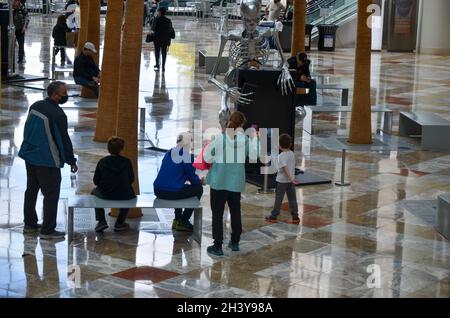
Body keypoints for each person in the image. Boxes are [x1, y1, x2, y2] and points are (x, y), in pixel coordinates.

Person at [18, 81, 78, 240]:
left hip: (30, 156)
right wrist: (71, 160)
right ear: (55, 95)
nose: (66, 95)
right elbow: (64, 140)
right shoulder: (58, 115)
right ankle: (48, 230)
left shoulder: (35, 105)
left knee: (31, 190)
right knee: (51, 194)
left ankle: (30, 224)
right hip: (47, 160)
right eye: (64, 92)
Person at [204, 111, 259, 256]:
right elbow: (254, 156)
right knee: (235, 212)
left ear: (229, 121)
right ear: (242, 125)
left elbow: (207, 158)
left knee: (217, 214)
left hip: (218, 181)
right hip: (235, 183)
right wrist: (255, 139)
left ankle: (217, 246)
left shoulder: (219, 138)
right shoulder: (246, 140)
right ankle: (235, 242)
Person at [153, 133, 204, 231]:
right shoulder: (186, 156)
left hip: (158, 190)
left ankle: (177, 219)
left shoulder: (169, 152)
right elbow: (193, 179)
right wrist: (200, 181)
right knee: (198, 189)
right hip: (171, 192)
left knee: (180, 186)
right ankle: (184, 220)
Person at [92, 137, 135, 233]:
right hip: (124, 194)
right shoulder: (127, 162)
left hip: (106, 194)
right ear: (121, 149)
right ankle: (120, 222)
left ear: (108, 149)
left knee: (93, 192)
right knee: (129, 193)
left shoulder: (102, 161)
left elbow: (95, 181)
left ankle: (101, 221)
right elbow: (131, 179)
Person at [265, 134, 300, 223]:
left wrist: (291, 178)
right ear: (290, 144)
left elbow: (285, 168)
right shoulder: (291, 153)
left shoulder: (281, 156)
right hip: (290, 181)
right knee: (292, 199)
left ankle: (273, 216)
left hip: (282, 181)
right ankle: (295, 216)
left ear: (280, 146)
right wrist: (291, 179)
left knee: (279, 199)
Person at [151, 7, 174, 72]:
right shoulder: (168, 20)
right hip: (165, 38)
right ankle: (163, 66)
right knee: (164, 52)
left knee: (157, 51)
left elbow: (152, 28)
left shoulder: (156, 19)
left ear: (160, 12)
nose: (157, 13)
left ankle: (157, 64)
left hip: (157, 38)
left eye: (158, 11)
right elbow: (170, 30)